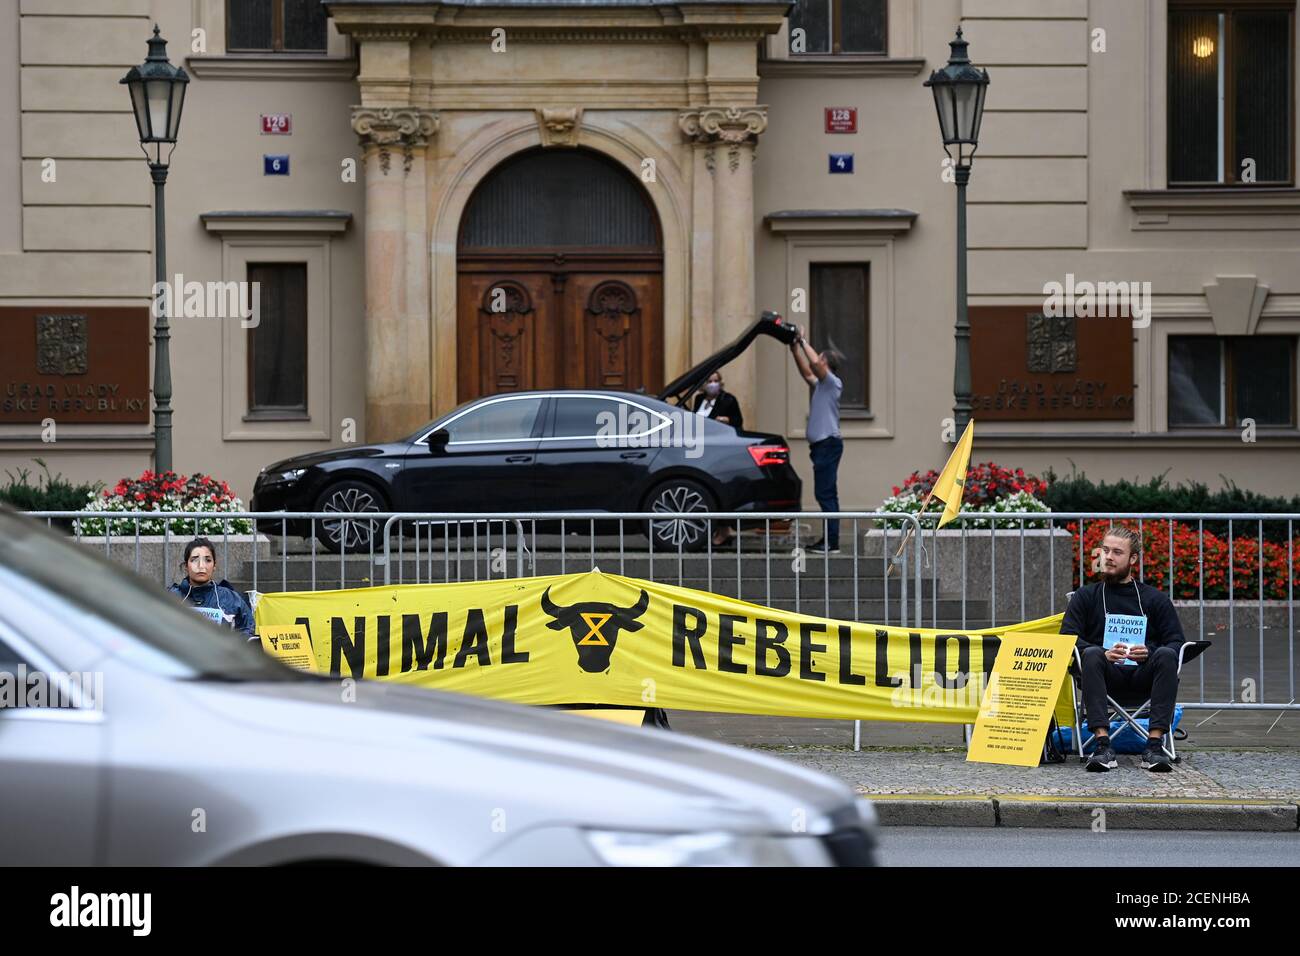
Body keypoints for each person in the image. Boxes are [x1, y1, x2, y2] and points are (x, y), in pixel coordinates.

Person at [1059, 526, 1185, 772]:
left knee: (1167, 654)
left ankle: (1155, 746)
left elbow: (1176, 642)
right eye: (1105, 550)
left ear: (1133, 559)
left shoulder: (1155, 599)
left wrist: (1149, 651)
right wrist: (1101, 652)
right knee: (1092, 653)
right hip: (1103, 677)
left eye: (1117, 552)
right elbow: (1067, 638)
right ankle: (1102, 745)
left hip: (1143, 677)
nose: (1108, 557)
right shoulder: (1085, 597)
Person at [789, 326, 845, 555]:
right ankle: (829, 541)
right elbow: (806, 371)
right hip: (822, 446)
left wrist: (802, 341)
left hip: (827, 445)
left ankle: (831, 543)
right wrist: (794, 350)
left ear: (826, 364)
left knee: (826, 494)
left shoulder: (833, 383)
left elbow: (814, 366)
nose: (817, 360)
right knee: (825, 493)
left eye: (820, 358)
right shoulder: (822, 385)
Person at [167, 536, 257, 639]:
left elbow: (248, 631)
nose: (201, 566)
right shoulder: (170, 597)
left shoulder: (231, 599)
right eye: (194, 560)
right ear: (186, 566)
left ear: (214, 565)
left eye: (208, 560)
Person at [692, 371, 744, 546]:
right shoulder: (699, 400)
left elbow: (738, 422)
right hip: (700, 449)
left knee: (719, 488)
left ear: (721, 383)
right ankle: (708, 528)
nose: (713, 384)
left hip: (720, 449)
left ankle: (724, 530)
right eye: (709, 380)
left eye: (716, 381)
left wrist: (727, 420)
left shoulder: (728, 400)